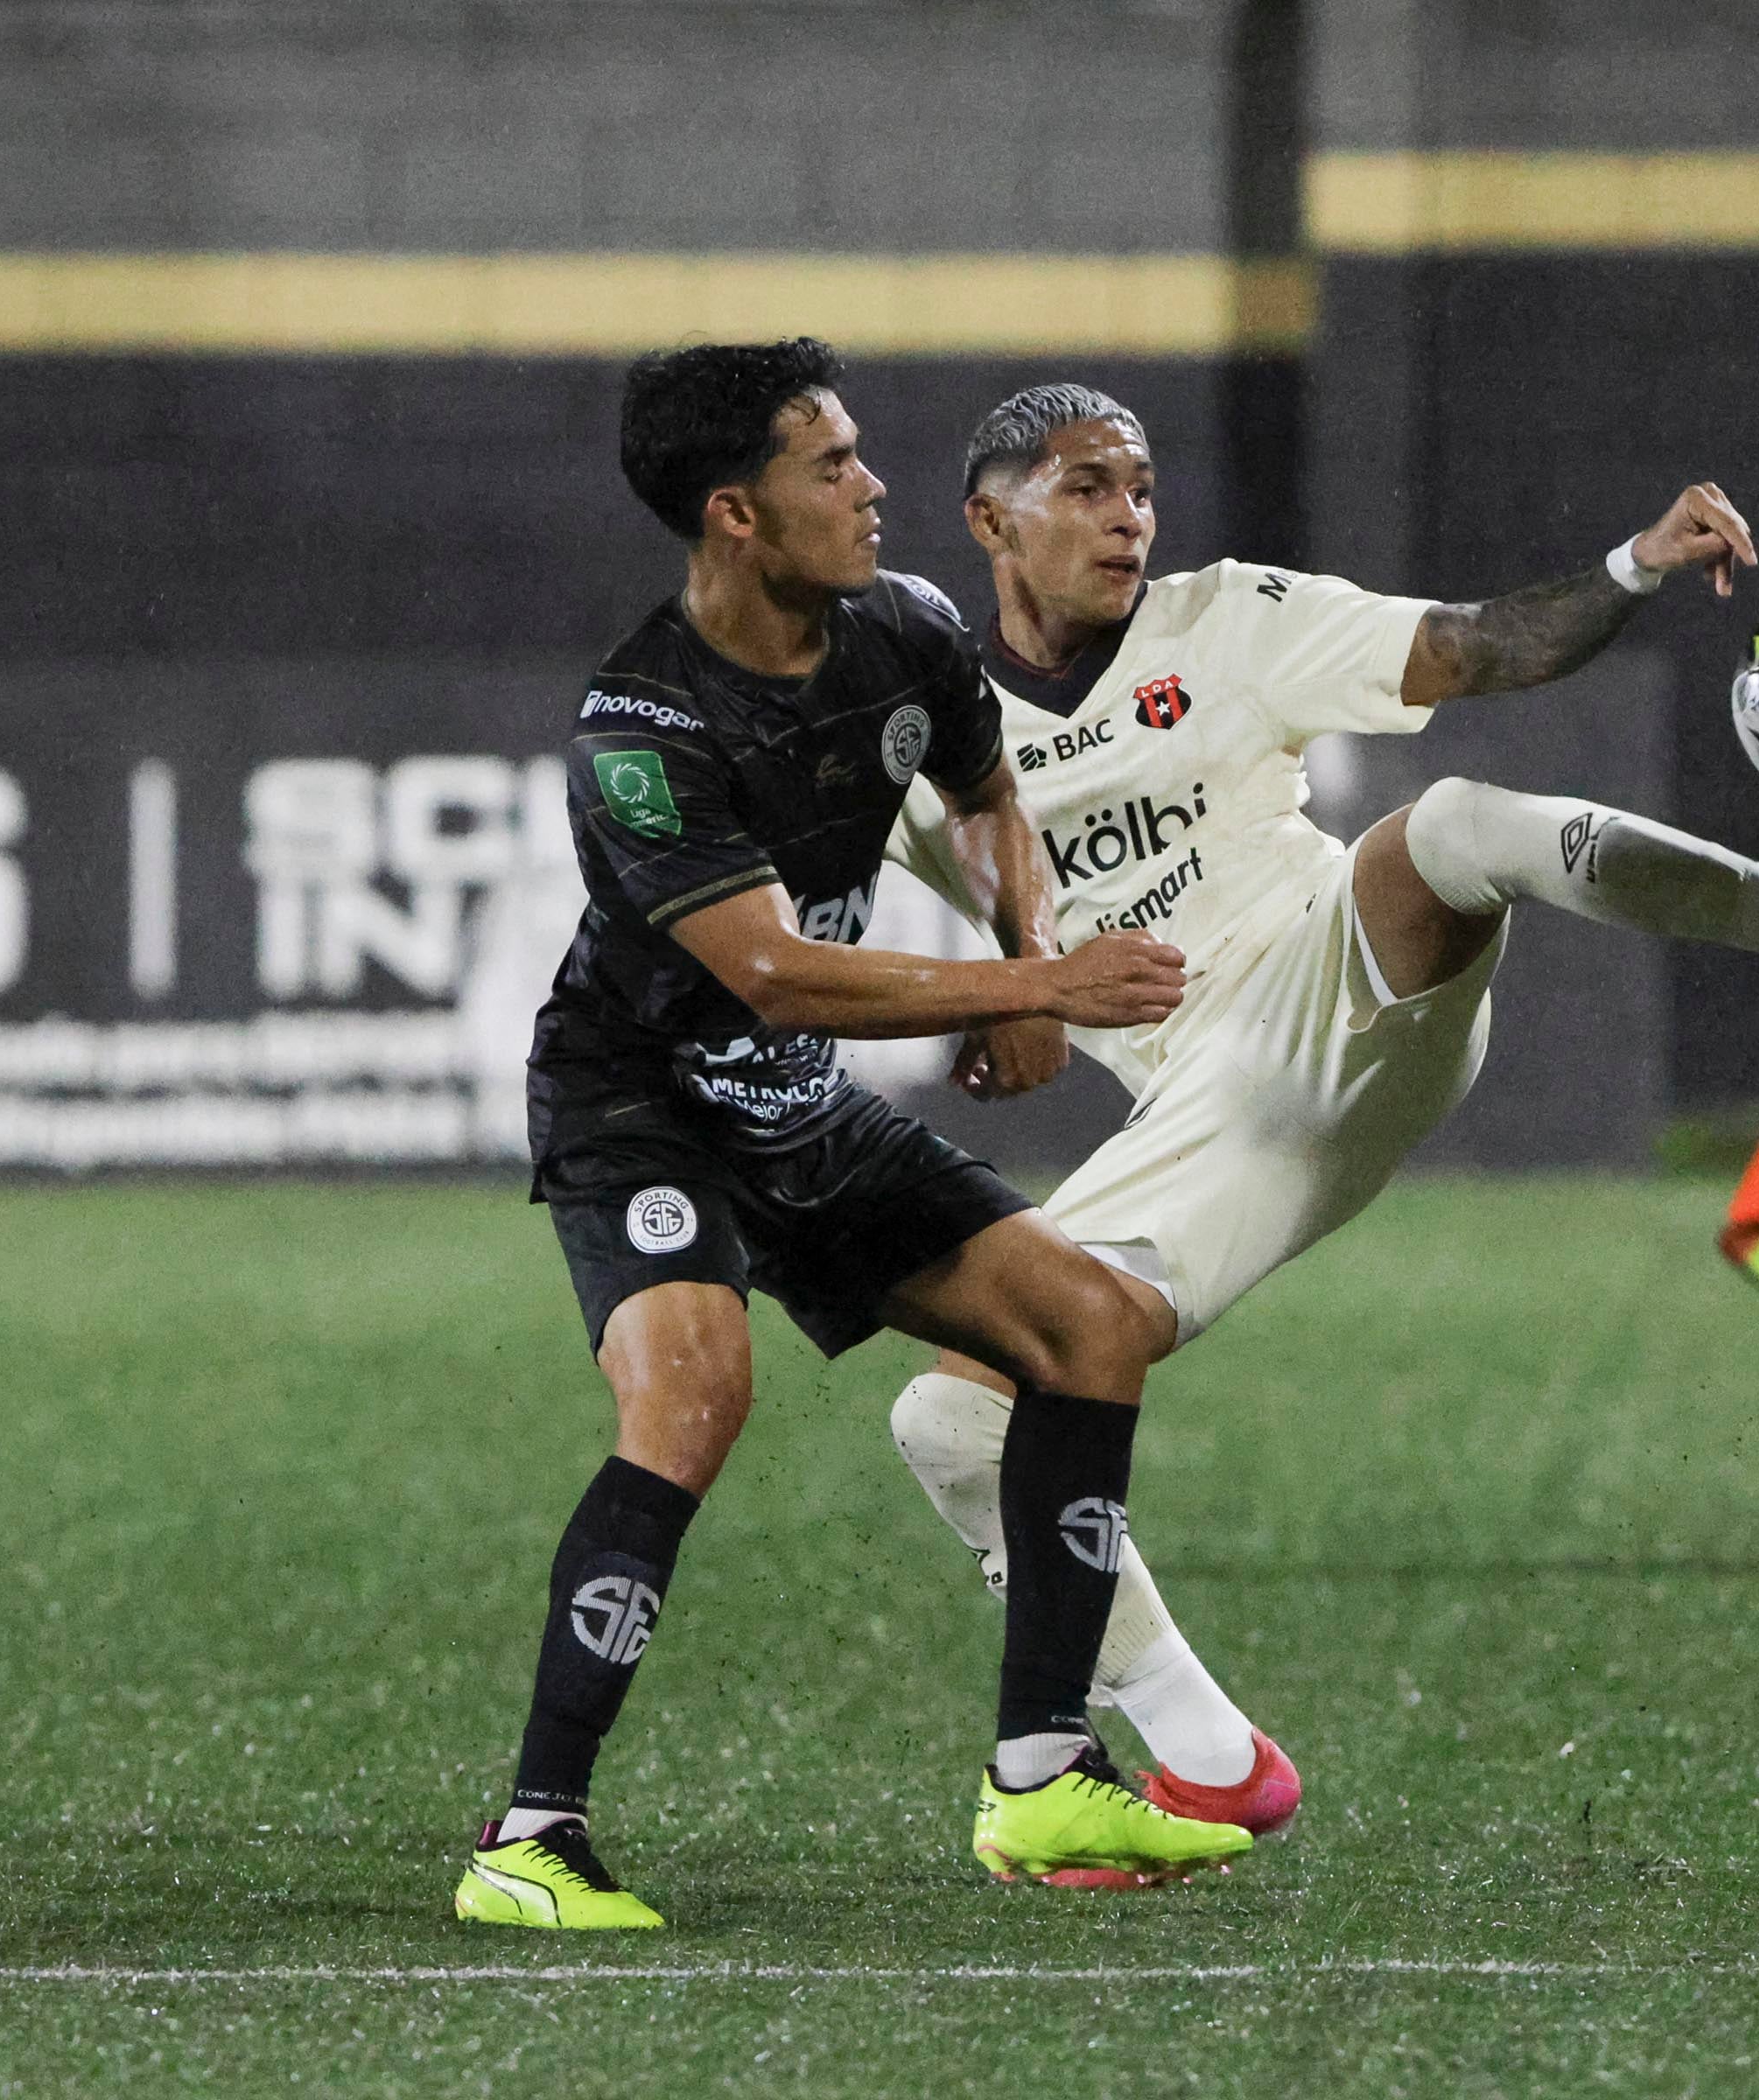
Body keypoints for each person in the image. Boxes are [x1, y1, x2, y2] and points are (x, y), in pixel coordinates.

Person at [878, 382, 1759, 1858]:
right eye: (1086, 488)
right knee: (952, 1416)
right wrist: (1002, 999)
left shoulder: (1226, 619)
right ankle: (1210, 1754)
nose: (1130, 517)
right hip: (1214, 1115)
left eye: (1141, 486)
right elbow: (806, 935)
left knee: (1451, 827)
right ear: (990, 521)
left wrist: (1633, 567)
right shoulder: (918, 742)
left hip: (1339, 970)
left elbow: (1477, 644)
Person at [453, 340, 1253, 1930]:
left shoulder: (907, 629)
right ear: (737, 513)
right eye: (833, 465)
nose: (875, 486)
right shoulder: (641, 727)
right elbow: (772, 971)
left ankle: (1043, 1773)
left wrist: (1022, 951)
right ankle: (529, 1843)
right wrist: (1039, 981)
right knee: (693, 1395)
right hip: (643, 1104)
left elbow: (987, 794)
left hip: (793, 1108)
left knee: (1091, 1326)